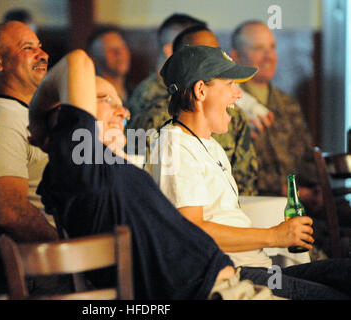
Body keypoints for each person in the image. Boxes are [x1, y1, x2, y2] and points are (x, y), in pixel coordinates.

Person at [27, 49, 285, 300]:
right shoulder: (79, 165)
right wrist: (39, 121)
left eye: (121, 104)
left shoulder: (111, 168)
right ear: (66, 118)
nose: (123, 112)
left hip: (225, 284)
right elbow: (77, 61)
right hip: (211, 292)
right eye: (106, 99)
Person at [147, 45, 351, 299]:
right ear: (200, 91)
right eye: (231, 84)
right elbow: (192, 231)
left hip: (260, 267)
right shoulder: (173, 146)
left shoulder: (210, 145)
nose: (238, 95)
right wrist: (274, 236)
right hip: (231, 275)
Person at [128, 14, 258, 196]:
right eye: (203, 53)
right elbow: (138, 187)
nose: (215, 59)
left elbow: (244, 189)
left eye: (216, 51)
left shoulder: (226, 130)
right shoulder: (156, 121)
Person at [0, 21, 58, 242]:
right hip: (52, 261)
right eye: (28, 48)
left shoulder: (30, 112)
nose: (43, 54)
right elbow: (11, 214)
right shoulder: (0, 122)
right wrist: (68, 249)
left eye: (39, 46)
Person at [229, 21, 321, 211]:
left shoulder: (287, 102)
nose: (269, 56)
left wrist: (317, 189)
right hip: (252, 208)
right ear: (236, 56)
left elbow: (306, 157)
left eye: (272, 47)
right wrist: (287, 190)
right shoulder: (229, 104)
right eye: (258, 48)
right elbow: (227, 167)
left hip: (300, 207)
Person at [87, 26, 132, 103]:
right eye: (110, 50)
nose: (119, 54)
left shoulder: (136, 92)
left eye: (122, 47)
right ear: (93, 59)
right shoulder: (91, 96)